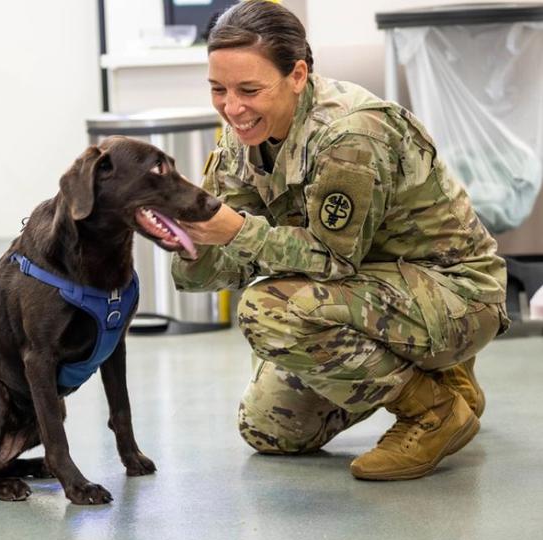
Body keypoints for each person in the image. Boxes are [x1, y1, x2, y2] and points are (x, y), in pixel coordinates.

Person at [171, 0, 509, 480]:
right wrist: (191, 243)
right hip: (370, 295)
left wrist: (237, 231)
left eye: (249, 89)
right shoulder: (244, 136)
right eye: (218, 89)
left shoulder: (351, 132)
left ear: (297, 74)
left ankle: (432, 411)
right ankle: (441, 374)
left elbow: (329, 259)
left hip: (456, 293)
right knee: (269, 430)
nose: (232, 108)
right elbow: (228, 261)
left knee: (269, 308)